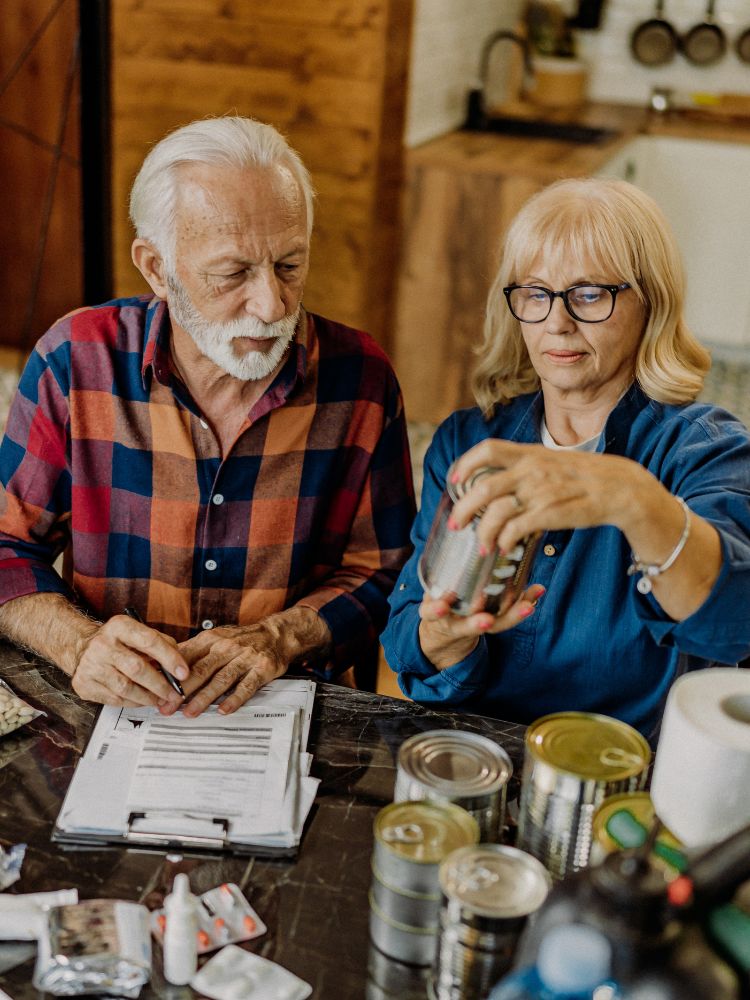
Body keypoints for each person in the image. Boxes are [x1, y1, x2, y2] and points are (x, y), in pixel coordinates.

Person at [0, 116, 415, 716]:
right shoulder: (76, 361)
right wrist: (79, 643)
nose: (271, 305)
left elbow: (387, 573)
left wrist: (281, 638)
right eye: (233, 273)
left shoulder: (361, 380)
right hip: (113, 715)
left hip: (290, 711)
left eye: (289, 265)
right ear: (156, 268)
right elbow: (8, 547)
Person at [381, 177, 750, 740]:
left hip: (626, 768)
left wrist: (631, 498)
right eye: (536, 293)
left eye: (589, 294)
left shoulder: (703, 448)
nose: (557, 321)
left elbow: (735, 621)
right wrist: (445, 639)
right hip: (480, 753)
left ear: (650, 302)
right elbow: (408, 639)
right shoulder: (468, 442)